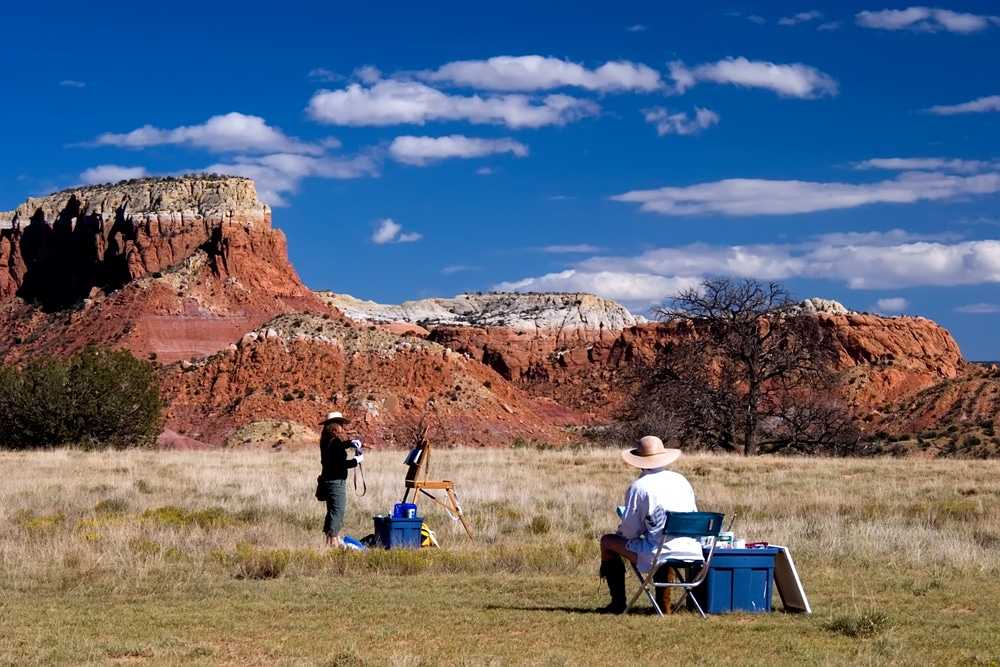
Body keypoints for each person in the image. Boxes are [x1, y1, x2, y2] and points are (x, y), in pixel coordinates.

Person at [598, 435, 702, 614]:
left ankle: (618, 603)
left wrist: (624, 531)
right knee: (660, 541)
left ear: (639, 461)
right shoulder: (681, 480)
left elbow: (630, 532)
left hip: (659, 553)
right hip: (692, 550)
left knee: (608, 541)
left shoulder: (639, 487)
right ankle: (663, 605)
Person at [317, 411, 363, 547]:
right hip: (336, 482)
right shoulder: (334, 441)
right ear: (334, 425)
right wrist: (355, 461)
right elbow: (339, 463)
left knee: (332, 511)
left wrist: (349, 443)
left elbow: (337, 449)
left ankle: (329, 542)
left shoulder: (327, 440)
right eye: (340, 423)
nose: (342, 426)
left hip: (327, 481)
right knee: (338, 511)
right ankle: (334, 542)